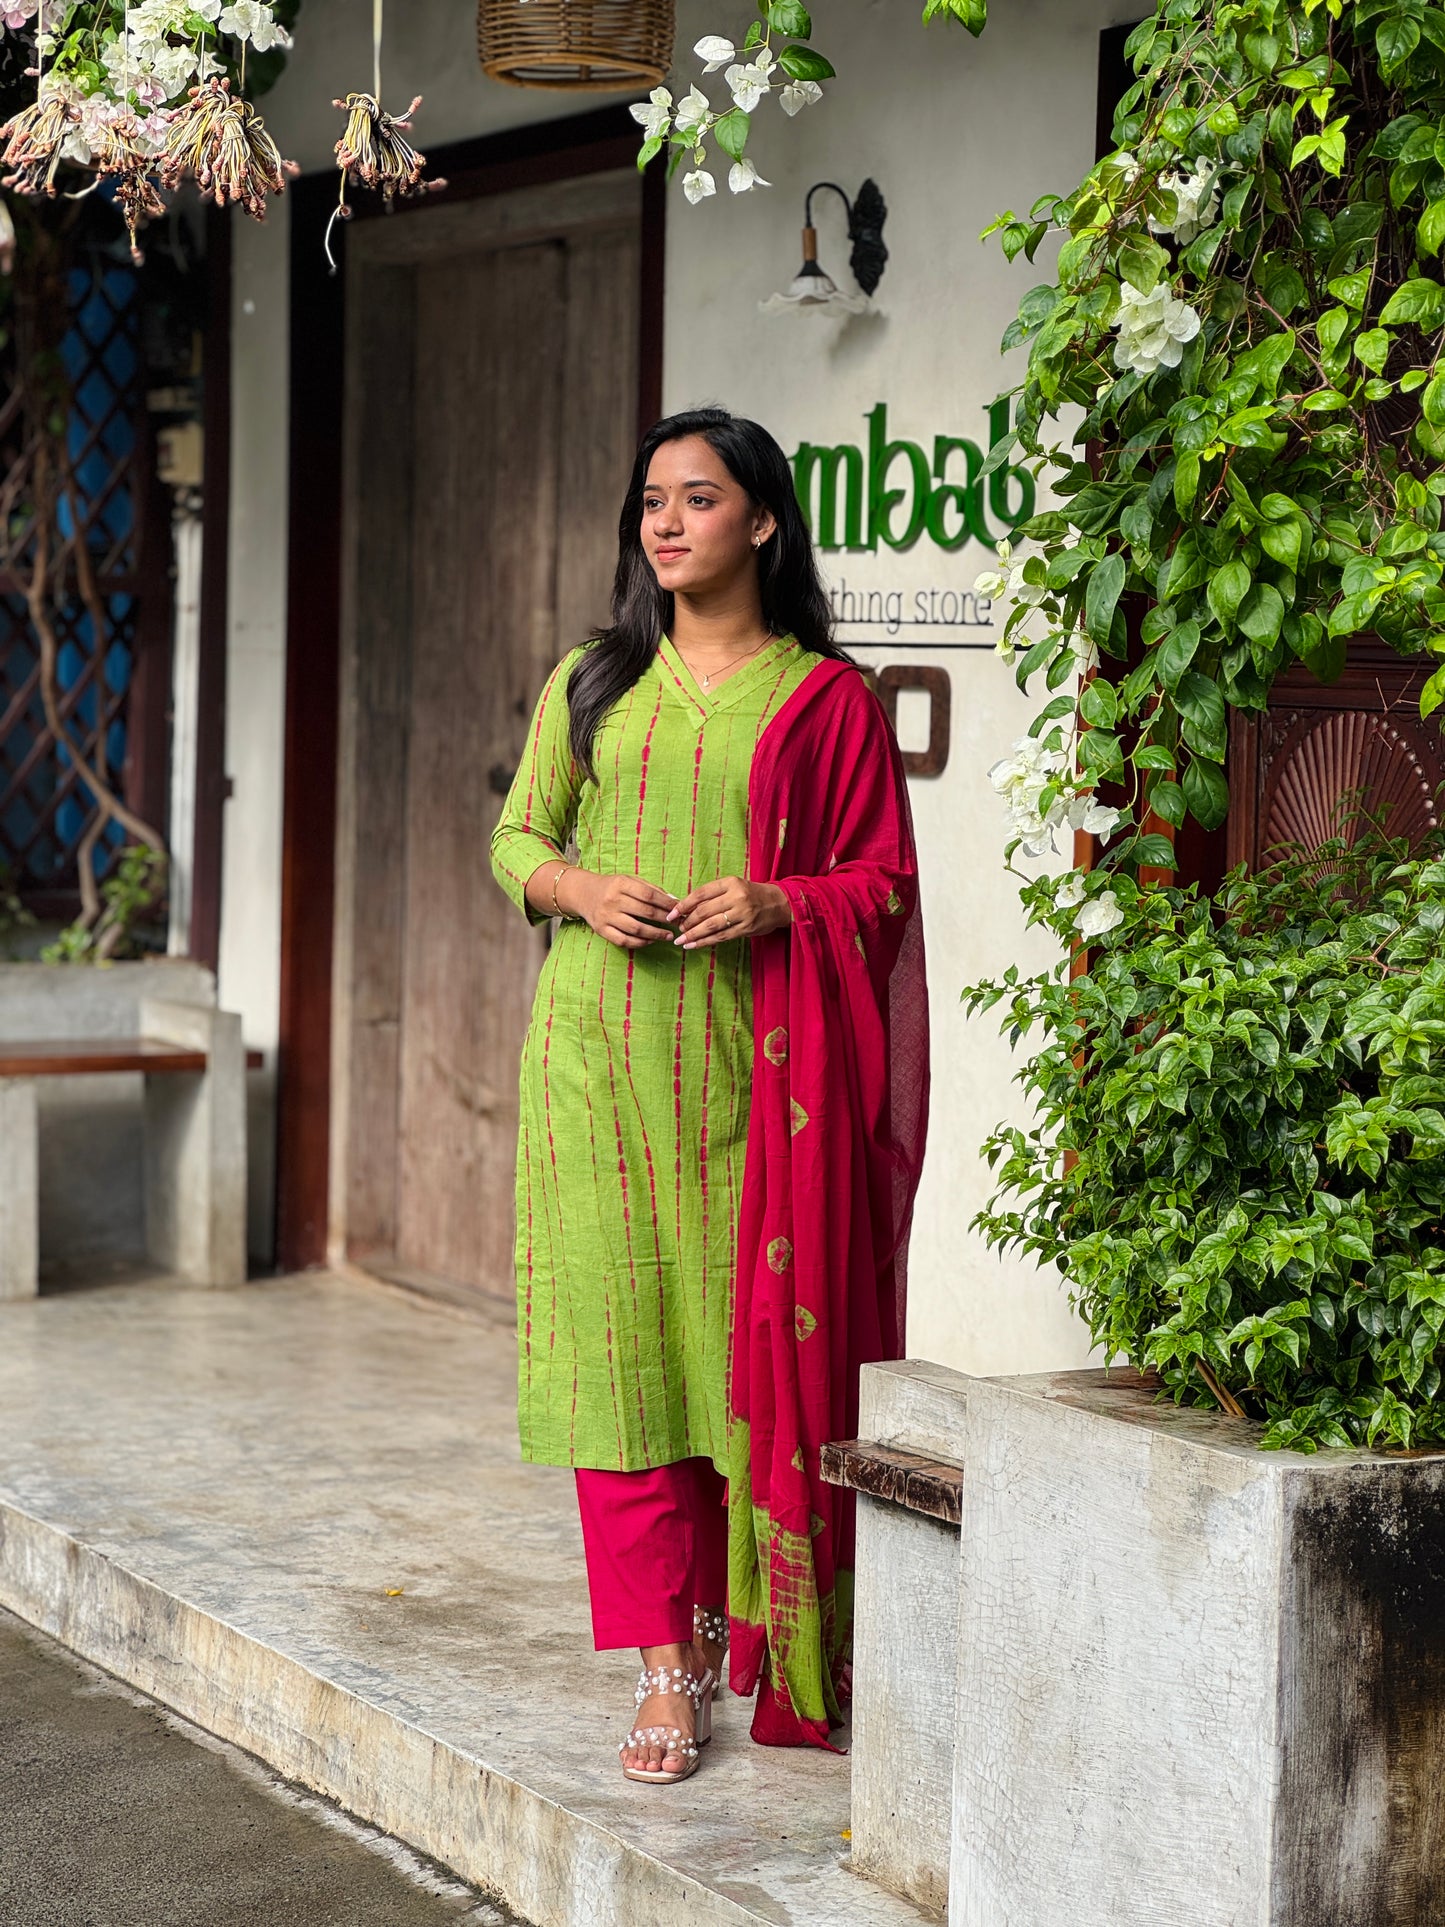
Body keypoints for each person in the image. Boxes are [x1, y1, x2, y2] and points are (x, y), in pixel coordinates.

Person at [490, 406, 928, 1784]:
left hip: (752, 1090)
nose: (666, 523)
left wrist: (779, 900)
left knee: (738, 1371)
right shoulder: (593, 680)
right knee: (620, 1370)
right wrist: (575, 886)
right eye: (651, 501)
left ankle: (765, 1629)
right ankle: (662, 1667)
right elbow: (517, 836)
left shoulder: (824, 701)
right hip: (593, 1074)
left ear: (764, 521)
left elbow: (881, 881)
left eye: (697, 497)